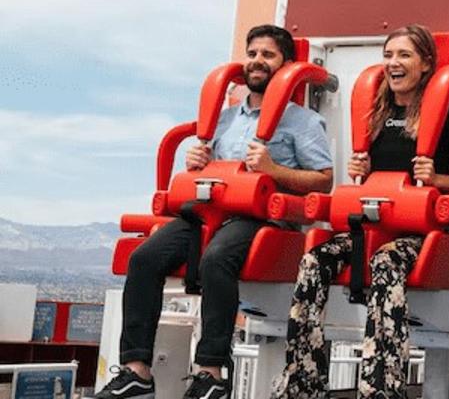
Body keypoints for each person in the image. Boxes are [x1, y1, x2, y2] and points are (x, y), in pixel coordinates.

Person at [90, 25, 333, 399]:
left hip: (260, 217)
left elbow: (324, 181)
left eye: (268, 55)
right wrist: (196, 163)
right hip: (207, 214)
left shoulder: (302, 121)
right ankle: (137, 371)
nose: (257, 61)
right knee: (144, 258)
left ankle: (211, 373)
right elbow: (208, 174)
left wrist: (274, 170)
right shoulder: (225, 119)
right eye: (252, 54)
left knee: (217, 260)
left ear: (285, 65)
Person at [270, 25, 449, 399]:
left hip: (420, 234)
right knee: (313, 261)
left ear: (425, 65)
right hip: (370, 227)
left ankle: (382, 387)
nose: (393, 63)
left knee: (386, 263)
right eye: (388, 55)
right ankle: (302, 380)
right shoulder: (376, 114)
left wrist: (437, 179)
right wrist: (363, 170)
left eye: (404, 55)